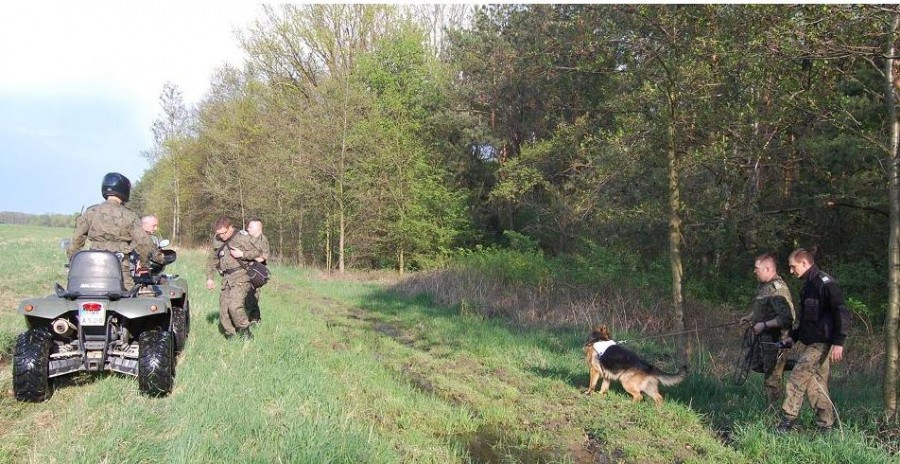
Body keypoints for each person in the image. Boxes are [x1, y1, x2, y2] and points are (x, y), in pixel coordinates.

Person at [776, 247, 849, 433]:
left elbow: (841, 312)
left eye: (793, 267)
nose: (791, 271)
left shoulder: (825, 283)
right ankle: (826, 427)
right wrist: (792, 338)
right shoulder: (808, 286)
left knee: (796, 378)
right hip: (811, 342)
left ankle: (786, 423)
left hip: (822, 344)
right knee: (816, 386)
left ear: (804, 263)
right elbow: (807, 321)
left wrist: (838, 342)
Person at [67, 172, 163, 288]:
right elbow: (144, 244)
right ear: (124, 190)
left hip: (92, 268)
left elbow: (76, 241)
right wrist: (145, 263)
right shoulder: (129, 216)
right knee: (128, 298)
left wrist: (74, 261)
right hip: (120, 268)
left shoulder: (91, 212)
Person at [739, 253, 795, 406]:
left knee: (771, 378)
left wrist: (764, 325)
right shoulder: (764, 286)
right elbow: (764, 307)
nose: (754, 271)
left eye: (757, 268)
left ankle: (775, 411)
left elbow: (787, 318)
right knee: (757, 365)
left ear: (768, 268)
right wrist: (750, 317)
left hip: (776, 340)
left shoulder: (779, 289)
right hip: (763, 338)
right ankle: (789, 365)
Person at [205, 216, 260, 339]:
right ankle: (231, 336)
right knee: (224, 311)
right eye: (218, 233)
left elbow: (259, 252)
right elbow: (212, 259)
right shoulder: (217, 239)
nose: (221, 236)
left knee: (234, 306)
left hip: (242, 276)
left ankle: (246, 333)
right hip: (226, 278)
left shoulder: (243, 237)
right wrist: (210, 278)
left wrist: (243, 254)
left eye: (223, 233)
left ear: (230, 228)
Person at [245, 217, 269, 324]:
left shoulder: (263, 240)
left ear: (258, 228)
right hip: (245, 270)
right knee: (244, 296)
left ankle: (255, 319)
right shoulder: (246, 238)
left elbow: (263, 257)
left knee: (252, 297)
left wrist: (247, 256)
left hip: (256, 273)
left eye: (250, 227)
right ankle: (247, 318)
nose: (248, 228)